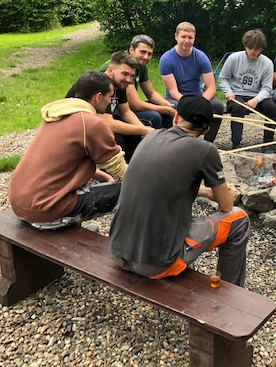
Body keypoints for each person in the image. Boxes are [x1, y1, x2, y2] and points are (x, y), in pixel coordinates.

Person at [110, 95, 251, 287]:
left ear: (176, 117)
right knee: (239, 219)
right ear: (207, 130)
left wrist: (206, 192)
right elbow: (226, 205)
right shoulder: (205, 150)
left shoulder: (151, 136)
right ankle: (231, 290)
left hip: (118, 252)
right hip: (155, 265)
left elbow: (163, 181)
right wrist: (227, 194)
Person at [8, 71, 128, 230]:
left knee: (92, 190)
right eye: (110, 96)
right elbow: (120, 169)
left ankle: (72, 228)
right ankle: (118, 241)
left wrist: (103, 176)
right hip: (46, 210)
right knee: (130, 192)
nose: (110, 101)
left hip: (20, 203)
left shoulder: (57, 115)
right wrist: (146, 185)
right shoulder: (91, 123)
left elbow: (65, 163)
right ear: (98, 97)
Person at [68, 52, 154, 162]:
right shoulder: (101, 85)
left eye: (132, 76)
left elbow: (126, 112)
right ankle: (118, 169)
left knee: (138, 132)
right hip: (78, 129)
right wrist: (142, 129)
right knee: (116, 138)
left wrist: (144, 130)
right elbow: (108, 123)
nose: (128, 80)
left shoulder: (120, 85)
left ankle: (134, 166)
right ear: (110, 70)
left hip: (96, 124)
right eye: (125, 74)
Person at [159, 22, 224, 143]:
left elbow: (211, 88)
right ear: (176, 36)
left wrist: (201, 102)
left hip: (198, 96)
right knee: (171, 108)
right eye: (183, 37)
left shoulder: (201, 57)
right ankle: (175, 143)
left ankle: (208, 143)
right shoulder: (166, 59)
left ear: (194, 38)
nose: (187, 41)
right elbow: (173, 91)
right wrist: (190, 104)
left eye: (190, 37)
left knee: (218, 106)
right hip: (176, 98)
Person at [99, 34, 176, 129]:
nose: (146, 57)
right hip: (109, 110)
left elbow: (151, 94)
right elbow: (135, 104)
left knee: (171, 107)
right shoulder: (123, 68)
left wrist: (168, 105)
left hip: (122, 105)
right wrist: (164, 110)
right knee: (155, 116)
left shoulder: (139, 66)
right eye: (143, 52)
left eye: (149, 54)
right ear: (132, 49)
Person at [218, 29, 276, 150]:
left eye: (256, 48)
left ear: (262, 48)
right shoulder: (234, 58)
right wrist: (228, 92)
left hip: (257, 95)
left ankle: (268, 143)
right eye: (250, 48)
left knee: (271, 107)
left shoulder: (267, 63)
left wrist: (256, 100)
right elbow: (223, 78)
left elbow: (267, 88)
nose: (253, 51)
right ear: (245, 46)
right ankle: (236, 144)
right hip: (237, 94)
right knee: (237, 108)